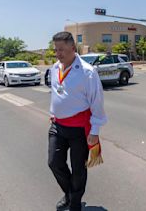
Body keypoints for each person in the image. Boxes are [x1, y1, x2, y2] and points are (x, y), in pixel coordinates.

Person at [48, 32, 107, 211]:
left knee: (78, 169)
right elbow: (57, 92)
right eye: (56, 50)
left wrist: (94, 131)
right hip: (57, 125)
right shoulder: (54, 68)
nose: (58, 54)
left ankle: (74, 203)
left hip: (79, 129)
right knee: (54, 162)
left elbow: (96, 102)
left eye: (62, 50)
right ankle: (70, 194)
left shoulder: (87, 72)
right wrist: (54, 111)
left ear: (73, 48)